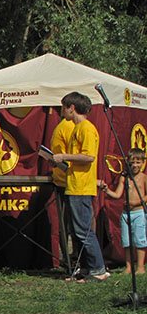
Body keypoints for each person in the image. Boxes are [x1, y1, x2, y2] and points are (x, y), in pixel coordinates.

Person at [53, 92, 109, 282]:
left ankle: (98, 269)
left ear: (72, 108)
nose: (62, 111)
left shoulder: (86, 128)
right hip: (74, 184)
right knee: (77, 232)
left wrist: (64, 156)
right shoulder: (77, 128)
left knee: (84, 231)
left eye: (63, 107)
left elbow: (88, 157)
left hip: (82, 187)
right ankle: (85, 269)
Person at [98, 148, 147, 274]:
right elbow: (117, 194)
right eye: (132, 162)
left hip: (138, 213)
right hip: (126, 214)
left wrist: (137, 202)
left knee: (140, 240)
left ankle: (140, 267)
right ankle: (129, 267)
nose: (135, 165)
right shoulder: (124, 178)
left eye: (138, 162)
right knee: (126, 241)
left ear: (143, 163)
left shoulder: (144, 178)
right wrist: (107, 190)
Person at [50, 115, 76, 270]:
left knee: (74, 223)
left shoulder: (72, 127)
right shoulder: (63, 127)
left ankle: (77, 258)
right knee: (65, 223)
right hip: (63, 179)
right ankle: (69, 258)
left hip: (72, 181)